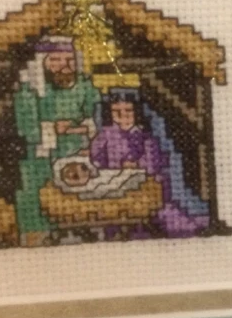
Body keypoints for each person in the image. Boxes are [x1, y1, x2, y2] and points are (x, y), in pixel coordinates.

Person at [13, 35, 99, 245]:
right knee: (34, 188)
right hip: (42, 154)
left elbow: (96, 116)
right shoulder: (30, 89)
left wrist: (82, 130)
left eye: (69, 60)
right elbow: (26, 127)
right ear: (44, 62)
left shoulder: (84, 86)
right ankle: (38, 235)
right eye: (56, 60)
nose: (64, 65)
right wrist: (53, 128)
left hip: (79, 149)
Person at [89, 89, 209, 237]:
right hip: (115, 186)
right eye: (116, 112)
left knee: (160, 209)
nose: (122, 116)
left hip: (143, 185)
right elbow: (95, 156)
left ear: (137, 112)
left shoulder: (145, 136)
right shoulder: (106, 134)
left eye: (128, 111)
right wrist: (99, 166)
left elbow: (153, 161)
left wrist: (138, 165)